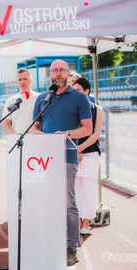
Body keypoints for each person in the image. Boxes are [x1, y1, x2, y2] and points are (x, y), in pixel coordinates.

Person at [30, 59, 92, 266]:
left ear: (67, 73)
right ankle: (49, 243)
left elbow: (87, 129)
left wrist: (65, 134)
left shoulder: (79, 98)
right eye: (54, 70)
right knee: (46, 203)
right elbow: (34, 127)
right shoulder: (42, 98)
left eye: (61, 70)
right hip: (43, 160)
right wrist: (40, 135)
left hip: (67, 157)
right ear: (50, 74)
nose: (57, 73)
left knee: (68, 204)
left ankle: (71, 248)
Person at [72, 77, 103, 235]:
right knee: (75, 189)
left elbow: (95, 133)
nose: (75, 93)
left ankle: (86, 221)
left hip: (90, 154)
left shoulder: (97, 109)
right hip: (73, 153)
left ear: (86, 91)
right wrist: (76, 150)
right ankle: (76, 221)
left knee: (89, 189)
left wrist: (81, 149)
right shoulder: (72, 109)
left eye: (78, 90)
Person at [2, 68, 39, 134]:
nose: (22, 82)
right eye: (20, 80)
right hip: (17, 141)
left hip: (36, 139)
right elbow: (5, 125)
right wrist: (16, 137)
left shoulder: (39, 98)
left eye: (25, 79)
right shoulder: (10, 101)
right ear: (16, 82)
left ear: (30, 80)